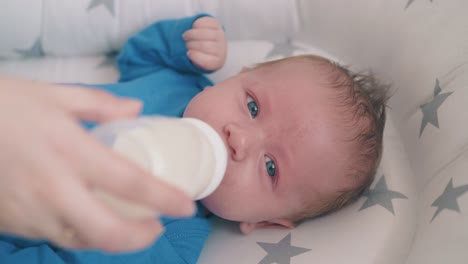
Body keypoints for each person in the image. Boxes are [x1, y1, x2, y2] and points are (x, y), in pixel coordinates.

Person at [0, 13, 390, 263]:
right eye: (252, 107)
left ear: (265, 221)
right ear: (239, 74)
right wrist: (188, 42)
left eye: (270, 167)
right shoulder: (178, 83)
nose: (240, 139)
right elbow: (139, 56)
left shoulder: (175, 237)